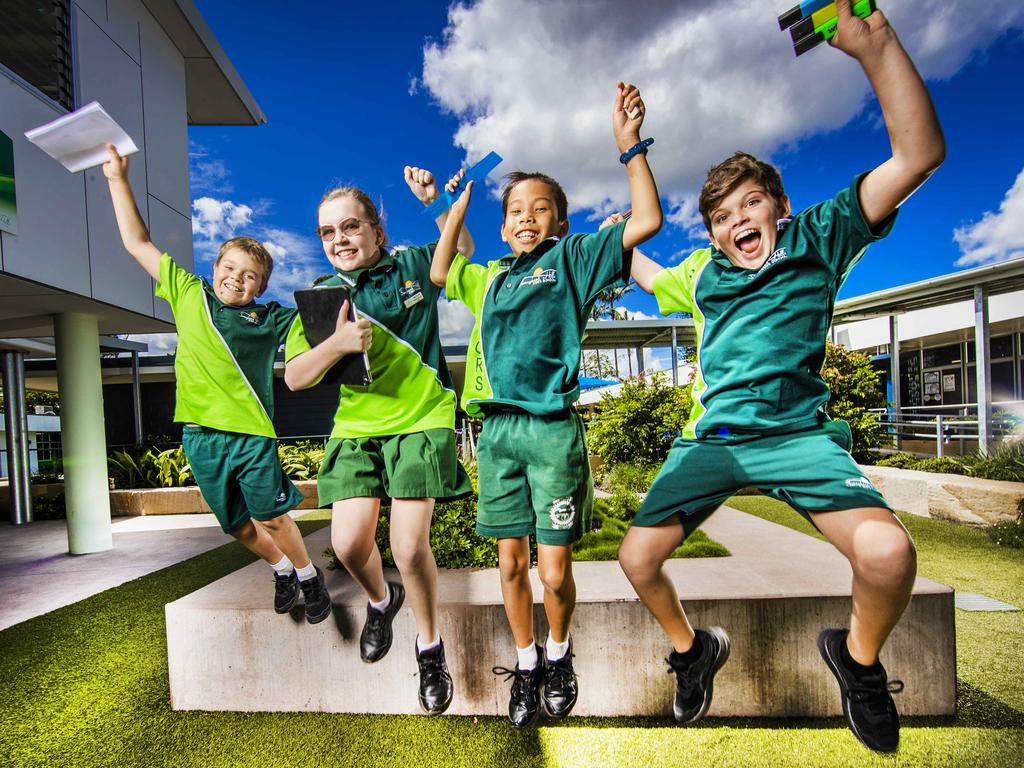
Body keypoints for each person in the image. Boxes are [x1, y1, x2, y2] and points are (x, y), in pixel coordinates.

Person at [617, 0, 944, 752]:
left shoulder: (819, 237)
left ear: (779, 207)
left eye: (751, 203)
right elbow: (628, 253)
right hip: (712, 440)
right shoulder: (701, 274)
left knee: (890, 553)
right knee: (638, 559)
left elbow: (920, 153)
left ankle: (856, 660)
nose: (738, 221)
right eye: (723, 217)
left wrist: (875, 45)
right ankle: (692, 652)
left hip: (797, 435)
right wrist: (630, 156)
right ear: (712, 235)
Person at [431, 83, 663, 727]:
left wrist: (629, 147)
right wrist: (458, 207)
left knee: (554, 571)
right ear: (503, 226)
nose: (526, 217)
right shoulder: (492, 278)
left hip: (553, 434)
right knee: (509, 562)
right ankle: (527, 662)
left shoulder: (573, 259)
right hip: (499, 436)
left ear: (559, 222)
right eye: (515, 211)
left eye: (540, 209)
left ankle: (559, 653)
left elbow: (645, 221)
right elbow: (441, 271)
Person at [102, 145, 332, 623]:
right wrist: (116, 178)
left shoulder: (270, 317)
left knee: (270, 516)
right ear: (215, 268)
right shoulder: (189, 294)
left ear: (261, 287)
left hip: (250, 433)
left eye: (249, 276)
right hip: (199, 434)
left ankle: (310, 577)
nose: (236, 279)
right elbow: (136, 243)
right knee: (235, 526)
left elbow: (320, 325)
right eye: (229, 268)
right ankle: (282, 568)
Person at [283, 167, 474, 715]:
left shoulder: (413, 265)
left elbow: (460, 246)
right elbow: (297, 376)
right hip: (356, 429)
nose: (339, 240)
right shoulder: (320, 297)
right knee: (346, 546)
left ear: (376, 232)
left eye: (350, 227)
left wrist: (437, 202)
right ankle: (380, 599)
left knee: (409, 547)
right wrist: (339, 343)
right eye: (327, 232)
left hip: (420, 418)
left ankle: (430, 647)